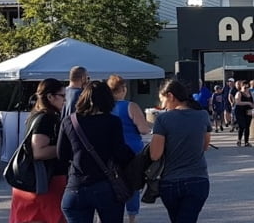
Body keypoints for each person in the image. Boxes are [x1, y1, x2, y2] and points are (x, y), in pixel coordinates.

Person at [57, 80, 135, 223]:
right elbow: (119, 152)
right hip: (105, 185)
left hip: (76, 186)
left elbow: (62, 155)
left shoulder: (69, 121)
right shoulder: (112, 122)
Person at [150, 79, 212, 223]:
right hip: (198, 179)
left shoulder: (163, 119)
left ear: (170, 96)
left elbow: (155, 155)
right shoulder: (202, 115)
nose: (162, 106)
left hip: (170, 181)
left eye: (162, 100)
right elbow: (205, 146)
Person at [10, 78, 69, 223]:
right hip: (46, 182)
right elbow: (38, 151)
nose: (65, 101)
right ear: (50, 97)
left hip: (39, 181)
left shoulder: (38, 115)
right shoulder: (46, 118)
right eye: (62, 96)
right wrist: (66, 148)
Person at [107, 75, 152, 223]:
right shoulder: (130, 106)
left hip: (111, 151)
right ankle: (132, 218)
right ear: (123, 89)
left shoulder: (105, 107)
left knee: (113, 184)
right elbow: (144, 129)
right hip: (132, 150)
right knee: (133, 184)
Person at [233, 81, 254, 147]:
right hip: (240, 111)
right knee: (242, 126)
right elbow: (237, 102)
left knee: (247, 126)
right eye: (245, 87)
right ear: (241, 87)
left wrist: (253, 106)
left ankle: (246, 142)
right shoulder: (239, 93)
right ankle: (239, 140)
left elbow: (253, 102)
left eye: (248, 87)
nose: (246, 89)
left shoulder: (250, 93)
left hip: (248, 111)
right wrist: (247, 103)